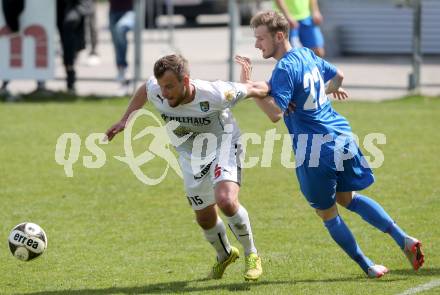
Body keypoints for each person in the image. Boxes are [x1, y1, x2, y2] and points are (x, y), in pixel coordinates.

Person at [242, 11, 424, 278]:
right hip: (342, 136)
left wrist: (250, 90)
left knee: (327, 213)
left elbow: (275, 114)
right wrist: (324, 92)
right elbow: (338, 75)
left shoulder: (283, 68)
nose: (257, 44)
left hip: (316, 149)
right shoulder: (306, 54)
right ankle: (404, 239)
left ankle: (368, 266)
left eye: (260, 38)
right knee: (347, 198)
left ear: (279, 36)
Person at [105, 54, 270, 281]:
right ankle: (225, 255)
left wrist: (287, 98)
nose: (164, 93)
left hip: (224, 145)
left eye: (170, 86)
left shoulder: (216, 93)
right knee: (204, 218)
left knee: (226, 200)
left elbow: (254, 88)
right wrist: (125, 119)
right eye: (162, 86)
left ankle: (252, 254)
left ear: (186, 81)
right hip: (191, 155)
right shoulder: (157, 89)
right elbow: (145, 88)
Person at [57, 0, 93, 92]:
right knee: (66, 43)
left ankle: (70, 75)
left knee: (69, 25)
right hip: (60, 6)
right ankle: (70, 74)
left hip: (78, 4)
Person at [108, 0, 135, 96]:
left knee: (120, 29)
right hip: (113, 11)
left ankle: (123, 67)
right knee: (117, 43)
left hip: (131, 11)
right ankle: (122, 73)